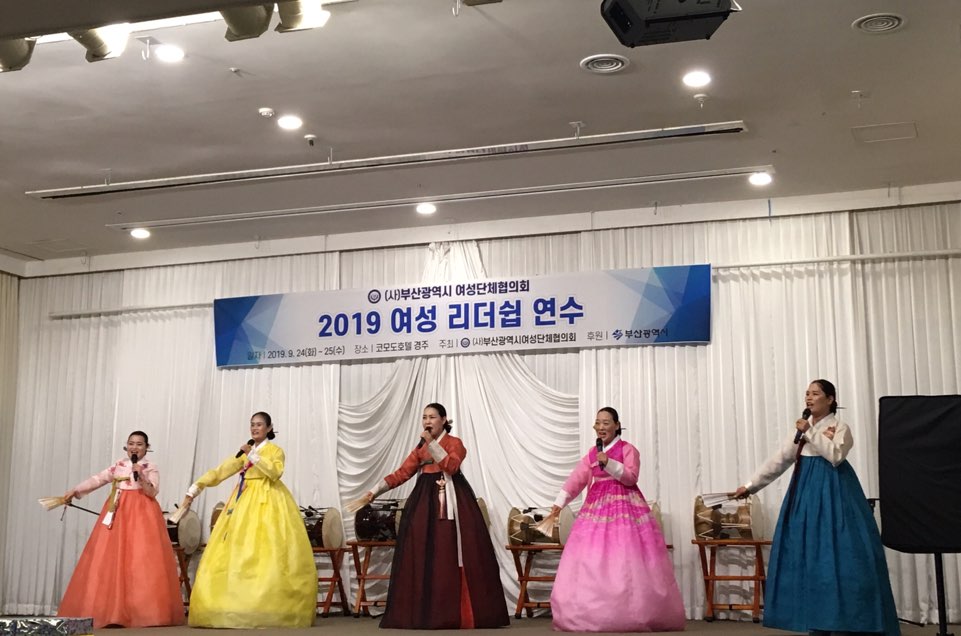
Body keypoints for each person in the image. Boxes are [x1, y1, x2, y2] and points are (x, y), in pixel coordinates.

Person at [733, 379, 900, 636]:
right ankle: (816, 619)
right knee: (809, 555)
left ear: (830, 399)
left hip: (836, 494)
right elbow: (779, 461)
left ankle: (846, 620)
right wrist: (749, 485)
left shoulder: (840, 427)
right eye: (807, 394)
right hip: (806, 494)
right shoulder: (802, 431)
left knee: (840, 555)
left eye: (815, 394)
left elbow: (835, 456)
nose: (809, 398)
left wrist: (809, 432)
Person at [360, 402, 509, 629]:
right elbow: (403, 472)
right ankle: (428, 611)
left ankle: (461, 611)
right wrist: (374, 491)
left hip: (452, 501)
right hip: (424, 503)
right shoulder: (421, 448)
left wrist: (431, 443)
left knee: (452, 549)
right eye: (424, 417)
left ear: (443, 419)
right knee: (424, 551)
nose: (427, 421)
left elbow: (451, 467)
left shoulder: (455, 443)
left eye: (432, 417)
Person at [543, 407, 685, 632]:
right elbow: (577, 478)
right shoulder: (592, 453)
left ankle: (634, 611)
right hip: (595, 508)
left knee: (626, 556)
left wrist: (608, 462)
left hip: (625, 507)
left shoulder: (628, 449)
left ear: (617, 425)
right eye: (598, 423)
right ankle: (590, 612)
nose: (601, 427)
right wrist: (559, 503)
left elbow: (631, 477)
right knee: (589, 558)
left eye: (606, 423)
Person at [177, 411, 317, 628]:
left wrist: (253, 455)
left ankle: (272, 606)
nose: (255, 428)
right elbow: (221, 471)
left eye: (259, 424)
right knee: (238, 549)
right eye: (252, 424)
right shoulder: (245, 453)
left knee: (268, 550)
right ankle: (236, 604)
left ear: (269, 428)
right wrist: (195, 488)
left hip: (269, 501)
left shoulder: (274, 451)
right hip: (243, 502)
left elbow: (275, 472)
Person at [57, 431, 185, 628]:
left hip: (142, 513)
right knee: (111, 556)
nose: (135, 447)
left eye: (139, 444)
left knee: (141, 557)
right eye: (131, 443)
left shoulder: (150, 467)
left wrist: (140, 474)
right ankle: (110, 609)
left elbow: (152, 491)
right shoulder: (118, 465)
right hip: (118, 510)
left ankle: (143, 611)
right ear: (127, 446)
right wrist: (75, 491)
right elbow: (98, 479)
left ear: (147, 447)